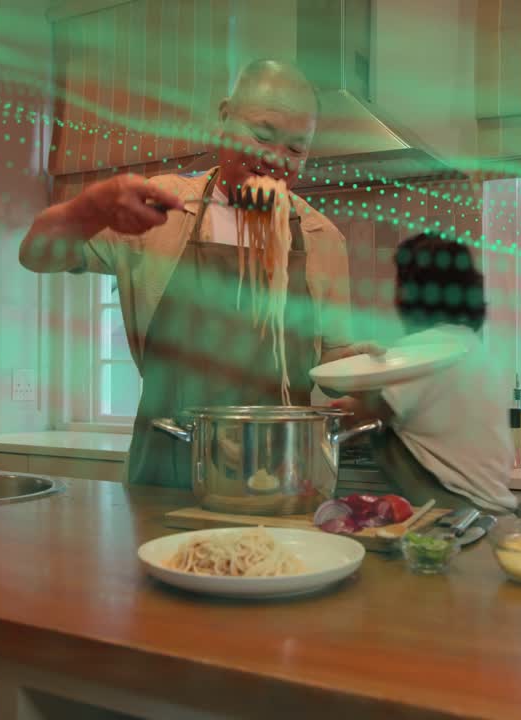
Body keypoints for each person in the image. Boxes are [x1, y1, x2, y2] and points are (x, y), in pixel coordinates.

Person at [19, 59, 375, 488]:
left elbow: (332, 363)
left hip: (281, 470)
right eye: (262, 136)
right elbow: (36, 255)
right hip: (170, 461)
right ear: (224, 117)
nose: (275, 161)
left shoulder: (321, 238)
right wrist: (90, 206)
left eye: (296, 150)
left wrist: (370, 373)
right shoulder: (162, 210)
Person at [331, 233, 518, 513]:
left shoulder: (426, 350)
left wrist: (344, 374)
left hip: (455, 512)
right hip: (493, 509)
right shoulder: (472, 346)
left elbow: (359, 415)